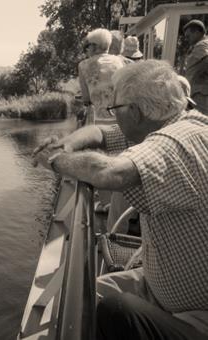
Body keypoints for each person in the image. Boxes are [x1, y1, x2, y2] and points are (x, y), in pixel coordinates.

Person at [33, 60, 208, 340]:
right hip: (157, 286)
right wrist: (67, 144)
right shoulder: (173, 124)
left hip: (197, 317)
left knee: (115, 310)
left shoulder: (174, 141)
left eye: (115, 110)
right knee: (75, 296)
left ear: (136, 112)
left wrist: (54, 160)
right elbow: (101, 133)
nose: (112, 117)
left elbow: (108, 172)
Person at [78, 28, 130, 124]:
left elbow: (86, 99)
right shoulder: (121, 61)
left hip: (100, 121)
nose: (87, 49)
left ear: (94, 46)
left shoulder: (83, 65)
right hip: (122, 119)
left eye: (88, 45)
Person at [183, 19, 208, 115]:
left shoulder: (202, 45)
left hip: (201, 96)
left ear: (197, 32)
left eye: (188, 36)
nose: (186, 39)